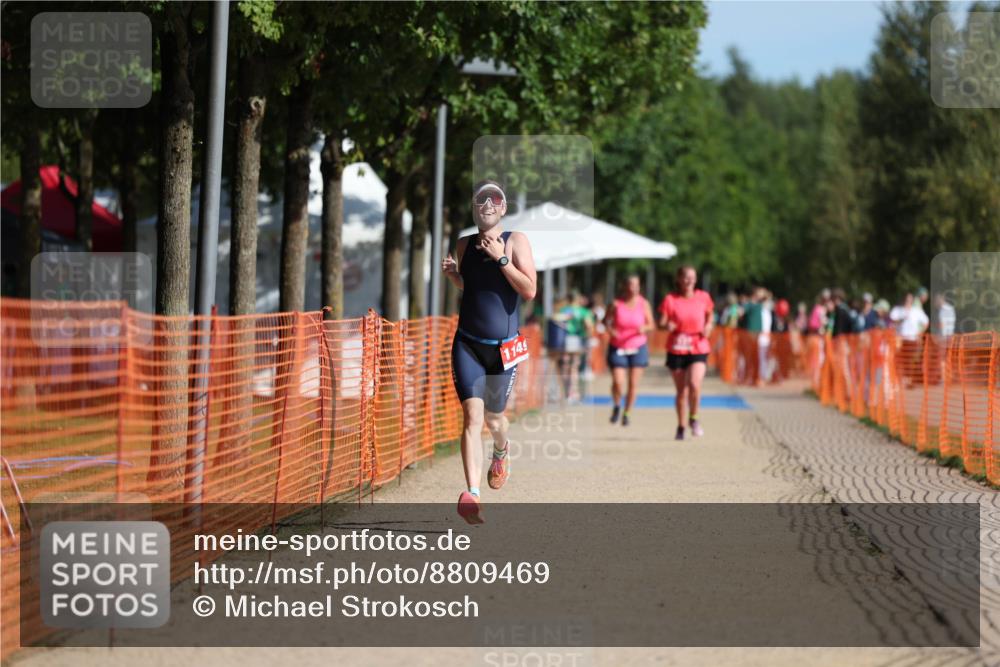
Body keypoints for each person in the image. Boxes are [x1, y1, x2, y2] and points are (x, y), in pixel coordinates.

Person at [442, 180, 536, 524]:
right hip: (467, 343)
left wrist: (501, 259)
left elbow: (529, 290)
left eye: (494, 199)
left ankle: (501, 448)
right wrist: (455, 277)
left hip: (503, 351)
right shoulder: (464, 243)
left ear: (504, 208)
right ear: (474, 206)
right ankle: (472, 494)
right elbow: (475, 287)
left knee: (495, 420)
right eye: (481, 199)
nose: (487, 204)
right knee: (472, 418)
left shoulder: (516, 241)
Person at [658, 265, 714, 440]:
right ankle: (681, 426)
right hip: (677, 347)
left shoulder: (703, 297)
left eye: (693, 277)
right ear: (679, 280)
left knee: (695, 384)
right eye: (686, 277)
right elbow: (661, 321)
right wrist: (667, 325)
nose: (690, 280)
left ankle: (694, 418)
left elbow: (710, 315)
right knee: (682, 391)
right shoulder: (670, 299)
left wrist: (709, 325)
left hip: (698, 345)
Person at [604, 274, 654, 427]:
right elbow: (606, 321)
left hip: (638, 346)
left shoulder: (643, 304)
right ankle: (617, 405)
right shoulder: (615, 304)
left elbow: (651, 324)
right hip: (618, 346)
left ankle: (627, 413)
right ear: (625, 286)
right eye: (631, 285)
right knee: (618, 382)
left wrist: (644, 328)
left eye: (637, 285)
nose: (634, 288)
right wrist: (611, 330)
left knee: (633, 383)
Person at [556, 290, 594, 403]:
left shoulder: (564, 310)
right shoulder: (583, 312)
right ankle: (573, 392)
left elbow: (557, 322)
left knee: (565, 366)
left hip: (565, 340)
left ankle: (566, 392)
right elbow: (589, 326)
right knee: (574, 367)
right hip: (577, 340)